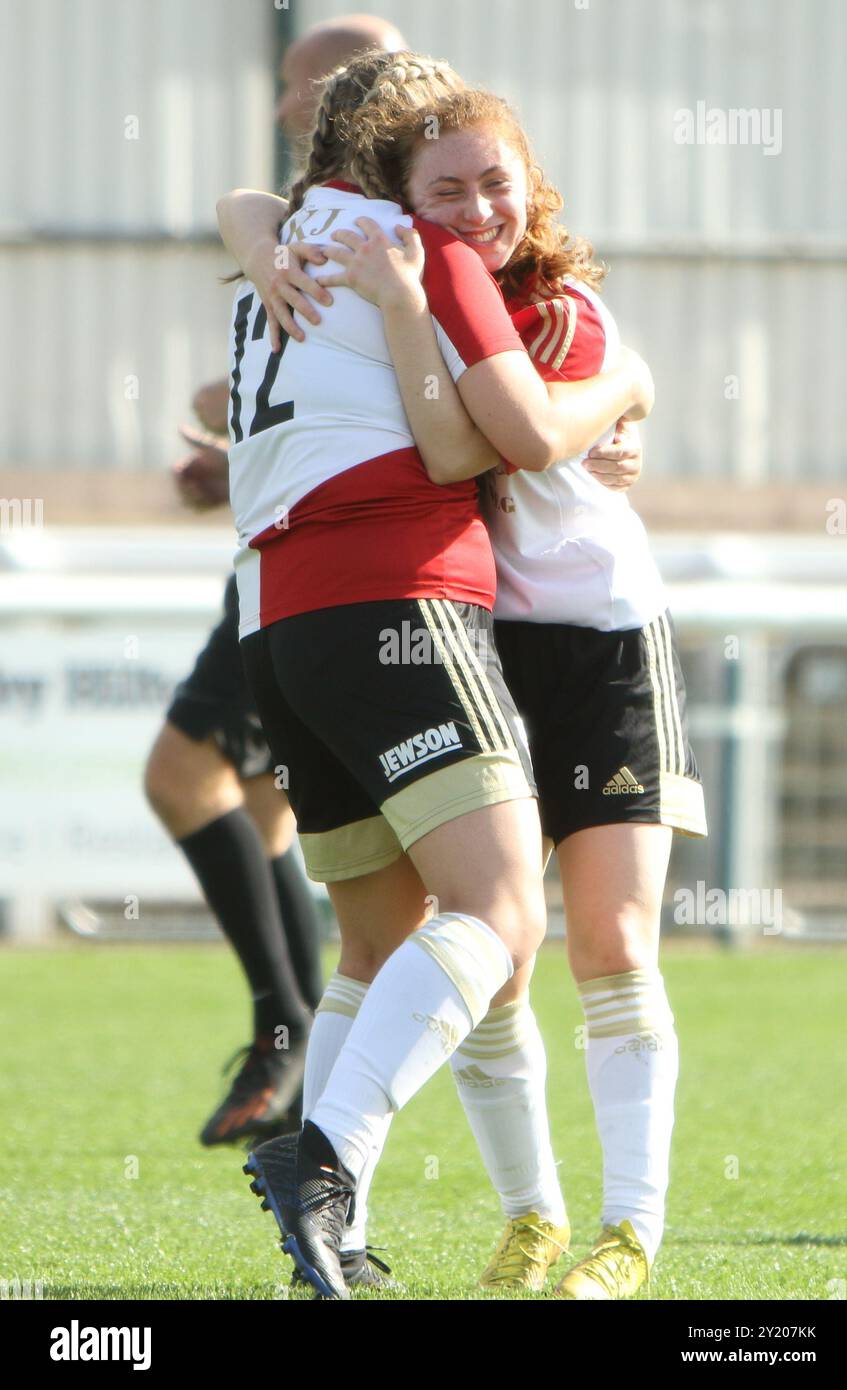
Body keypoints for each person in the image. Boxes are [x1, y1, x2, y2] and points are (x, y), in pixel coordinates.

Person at [221, 79, 706, 1301]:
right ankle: (486, 1211)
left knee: (587, 937)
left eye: (496, 180)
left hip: (575, 635)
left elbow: (526, 436)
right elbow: (464, 443)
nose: (473, 205)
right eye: (443, 186)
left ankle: (623, 1233)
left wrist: (626, 381)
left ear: (529, 178)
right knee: (479, 933)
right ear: (393, 186)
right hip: (438, 618)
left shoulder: (527, 294)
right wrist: (372, 286)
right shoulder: (406, 262)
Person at [143, 15, 408, 1150]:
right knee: (264, 807)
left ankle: (285, 1030)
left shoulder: (374, 229)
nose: (282, 109)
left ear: (344, 92)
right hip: (294, 550)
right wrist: (234, 448)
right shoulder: (317, 224)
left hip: (322, 569)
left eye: (298, 89)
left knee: (178, 775)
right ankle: (294, 1047)